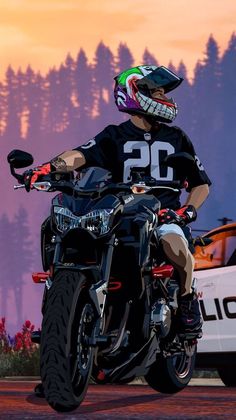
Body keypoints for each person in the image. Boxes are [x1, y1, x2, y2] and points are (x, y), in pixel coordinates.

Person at [24, 65, 211, 336]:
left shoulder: (177, 138)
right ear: (136, 93)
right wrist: (47, 169)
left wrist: (187, 211)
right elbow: (79, 155)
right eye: (157, 91)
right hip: (121, 215)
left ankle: (186, 298)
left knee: (173, 241)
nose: (165, 97)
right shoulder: (114, 135)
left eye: (163, 92)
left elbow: (200, 184)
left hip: (163, 216)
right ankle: (64, 300)